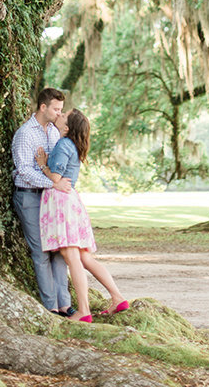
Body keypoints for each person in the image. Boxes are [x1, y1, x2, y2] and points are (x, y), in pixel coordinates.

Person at [35, 108, 129, 322]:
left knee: (73, 257)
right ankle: (117, 297)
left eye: (63, 116)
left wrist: (42, 165)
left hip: (61, 204)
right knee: (85, 257)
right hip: (72, 203)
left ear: (67, 128)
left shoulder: (62, 145)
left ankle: (83, 310)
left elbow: (56, 178)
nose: (58, 115)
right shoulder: (72, 145)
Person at [11, 87, 74, 316]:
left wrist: (55, 183)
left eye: (61, 109)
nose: (59, 113)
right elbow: (24, 171)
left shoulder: (54, 133)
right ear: (43, 107)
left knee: (57, 251)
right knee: (40, 252)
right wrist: (53, 183)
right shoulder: (26, 134)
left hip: (50, 199)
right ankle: (51, 306)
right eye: (56, 109)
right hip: (29, 197)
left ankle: (65, 304)